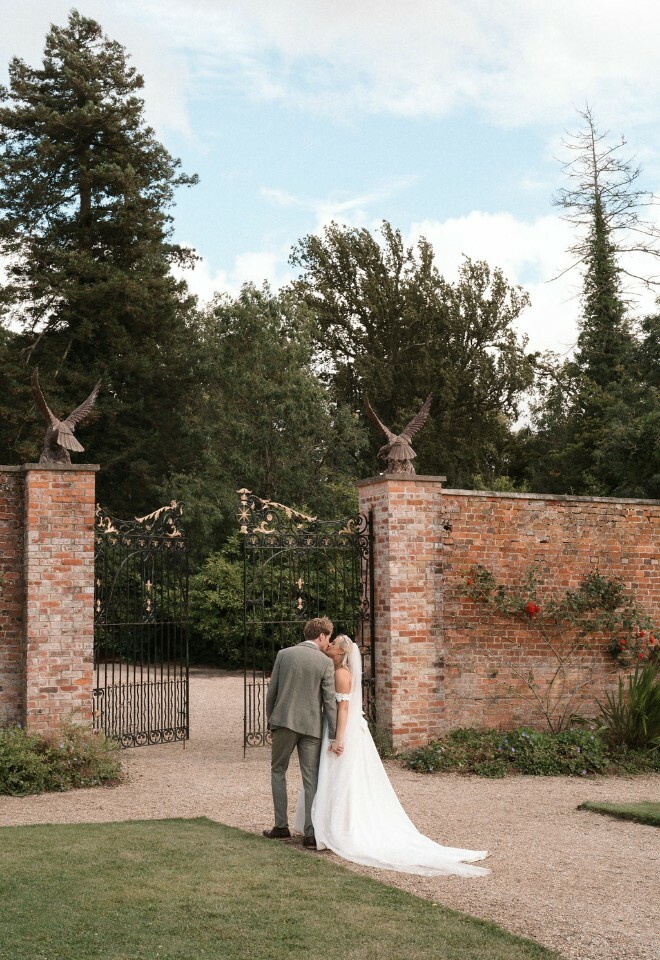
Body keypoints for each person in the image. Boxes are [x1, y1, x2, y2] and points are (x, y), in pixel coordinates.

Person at [295, 635, 490, 877]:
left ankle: (339, 828)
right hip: (341, 729)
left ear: (342, 652)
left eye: (334, 644)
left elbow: (343, 709)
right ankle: (330, 825)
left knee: (341, 777)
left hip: (342, 732)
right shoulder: (336, 670)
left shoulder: (341, 674)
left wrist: (338, 738)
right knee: (340, 778)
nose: (330, 646)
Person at [263, 617, 338, 849]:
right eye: (328, 638)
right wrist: (334, 734)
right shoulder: (325, 662)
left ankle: (281, 827)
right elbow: (329, 701)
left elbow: (272, 692)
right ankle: (310, 834)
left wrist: (271, 723)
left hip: (284, 722)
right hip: (311, 726)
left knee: (278, 771)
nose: (328, 643)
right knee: (310, 778)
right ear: (321, 635)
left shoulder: (284, 655)